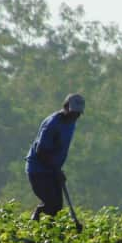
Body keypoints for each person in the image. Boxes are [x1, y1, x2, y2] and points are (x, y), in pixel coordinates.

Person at [26, 93, 85, 229]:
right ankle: (36, 220)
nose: (74, 116)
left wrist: (56, 169)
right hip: (38, 169)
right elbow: (41, 151)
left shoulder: (71, 124)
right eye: (72, 113)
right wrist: (56, 170)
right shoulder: (52, 123)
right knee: (51, 204)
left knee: (57, 208)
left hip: (52, 169)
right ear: (65, 107)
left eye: (77, 114)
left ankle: (48, 235)